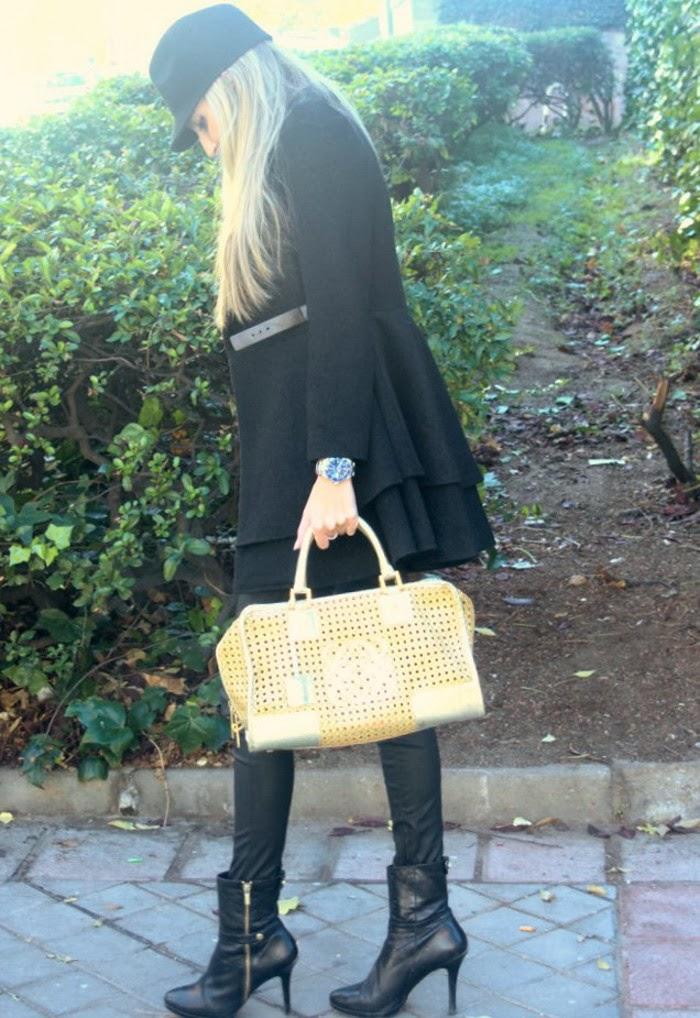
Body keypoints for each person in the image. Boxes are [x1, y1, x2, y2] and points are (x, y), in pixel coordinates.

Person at [149, 5, 496, 1017]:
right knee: (366, 681)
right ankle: (398, 919)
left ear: (231, 86)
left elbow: (346, 305)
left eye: (199, 118)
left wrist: (336, 466)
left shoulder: (311, 130)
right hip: (299, 457)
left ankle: (262, 935)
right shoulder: (298, 135)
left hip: (335, 455)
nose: (202, 140)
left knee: (304, 684)